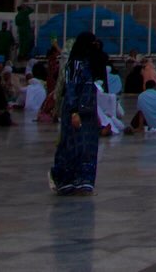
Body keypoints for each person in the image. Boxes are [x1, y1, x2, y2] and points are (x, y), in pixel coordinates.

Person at [49, 33, 104, 194]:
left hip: (88, 112)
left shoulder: (89, 63)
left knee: (87, 147)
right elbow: (71, 88)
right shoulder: (74, 65)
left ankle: (84, 181)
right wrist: (73, 111)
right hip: (75, 112)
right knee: (72, 145)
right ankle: (67, 181)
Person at [37, 44, 62, 122]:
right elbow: (54, 71)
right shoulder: (53, 60)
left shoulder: (51, 60)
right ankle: (50, 112)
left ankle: (48, 112)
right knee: (52, 97)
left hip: (50, 80)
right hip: (53, 81)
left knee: (50, 96)